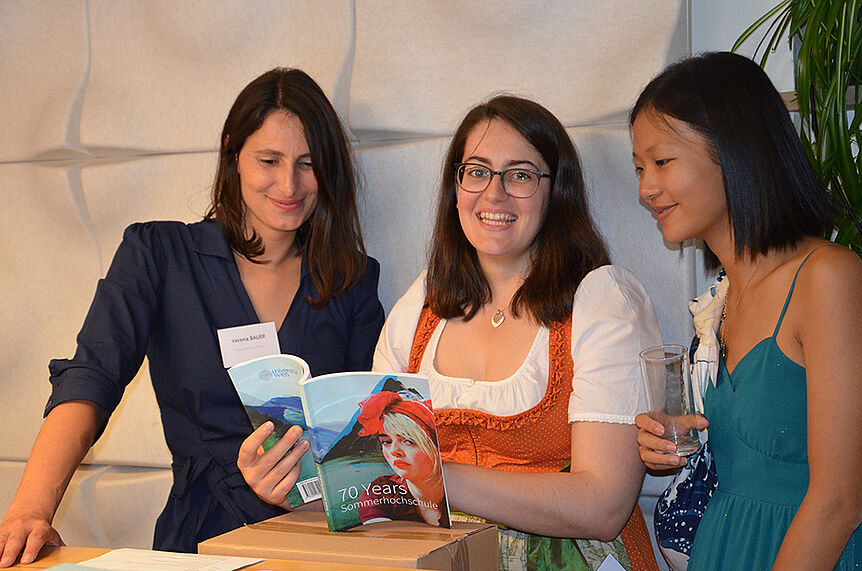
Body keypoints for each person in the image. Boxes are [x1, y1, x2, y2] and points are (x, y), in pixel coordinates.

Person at [0, 67, 385, 565]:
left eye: (309, 164)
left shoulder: (351, 280)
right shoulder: (159, 255)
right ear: (234, 155)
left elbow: (366, 442)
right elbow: (91, 375)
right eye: (269, 159)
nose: (289, 184)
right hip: (202, 540)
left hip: (323, 543)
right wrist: (30, 508)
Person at [372, 96, 663, 570]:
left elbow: (603, 506)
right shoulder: (423, 301)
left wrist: (442, 477)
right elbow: (374, 476)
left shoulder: (601, 299)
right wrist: (295, 480)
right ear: (456, 185)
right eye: (477, 171)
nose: (494, 194)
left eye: (521, 174)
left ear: (557, 190)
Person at [631, 51, 862, 570]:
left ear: (735, 149)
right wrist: (671, 447)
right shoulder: (720, 299)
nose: (646, 188)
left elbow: (841, 500)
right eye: (639, 168)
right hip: (723, 548)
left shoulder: (828, 278)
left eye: (662, 161)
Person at [354, 391, 449, 526]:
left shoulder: (457, 486)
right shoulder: (380, 492)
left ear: (433, 445)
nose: (394, 451)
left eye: (408, 441)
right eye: (386, 441)